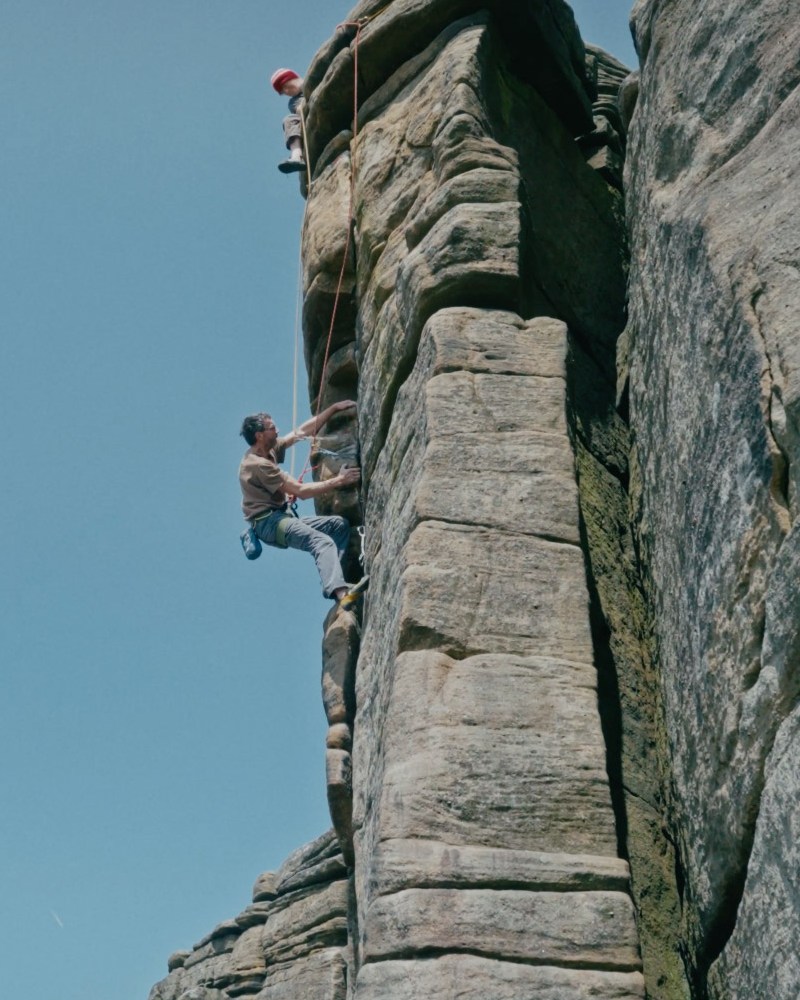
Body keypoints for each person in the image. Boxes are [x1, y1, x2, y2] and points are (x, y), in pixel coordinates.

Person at [239, 401, 367, 606]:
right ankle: (341, 594)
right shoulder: (258, 465)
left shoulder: (268, 449)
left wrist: (333, 408)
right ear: (259, 435)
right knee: (321, 542)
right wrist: (339, 480)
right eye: (272, 428)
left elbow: (300, 432)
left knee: (338, 525)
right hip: (269, 523)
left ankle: (340, 581)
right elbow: (302, 492)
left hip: (278, 516)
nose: (277, 430)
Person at [270, 67, 305, 174]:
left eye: (285, 86)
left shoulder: (313, 78)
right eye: (283, 92)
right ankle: (296, 156)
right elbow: (301, 110)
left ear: (291, 78)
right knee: (289, 119)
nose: (286, 92)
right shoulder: (293, 102)